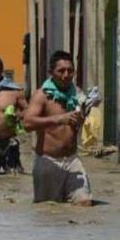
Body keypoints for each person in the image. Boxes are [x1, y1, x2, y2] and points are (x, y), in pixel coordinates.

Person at [23, 51, 92, 206]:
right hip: (48, 160)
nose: (66, 75)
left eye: (70, 71)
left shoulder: (77, 94)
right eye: (61, 71)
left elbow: (79, 122)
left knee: (85, 204)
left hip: (72, 160)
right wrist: (59, 119)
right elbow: (27, 123)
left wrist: (86, 114)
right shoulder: (42, 95)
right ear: (51, 72)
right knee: (48, 210)